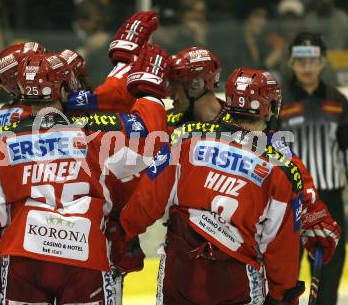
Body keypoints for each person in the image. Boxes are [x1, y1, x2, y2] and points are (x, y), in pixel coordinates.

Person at [0, 44, 171, 304]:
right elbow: (152, 138)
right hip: (84, 257)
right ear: (60, 89)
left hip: (24, 261)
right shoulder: (95, 134)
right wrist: (150, 94)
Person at [112, 68, 306, 304]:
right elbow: (280, 244)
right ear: (271, 107)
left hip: (180, 274)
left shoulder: (185, 139)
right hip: (234, 282)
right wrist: (282, 294)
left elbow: (148, 199)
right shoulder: (281, 169)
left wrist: (123, 235)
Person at [279, 32, 348, 305]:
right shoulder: (279, 102)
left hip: (330, 203)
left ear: (322, 62)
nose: (306, 68)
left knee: (328, 285)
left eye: (313, 61)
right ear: (291, 62)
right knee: (283, 283)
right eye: (300, 61)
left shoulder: (339, 101)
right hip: (289, 205)